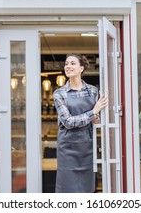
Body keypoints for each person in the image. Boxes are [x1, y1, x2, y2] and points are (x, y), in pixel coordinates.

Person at [53, 53, 108, 193]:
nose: (68, 66)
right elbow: (68, 122)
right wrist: (92, 112)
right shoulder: (60, 94)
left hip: (87, 146)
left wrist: (96, 119)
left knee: (86, 187)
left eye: (72, 63)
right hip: (67, 148)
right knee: (67, 188)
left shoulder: (93, 91)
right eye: (66, 64)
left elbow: (96, 119)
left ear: (81, 68)